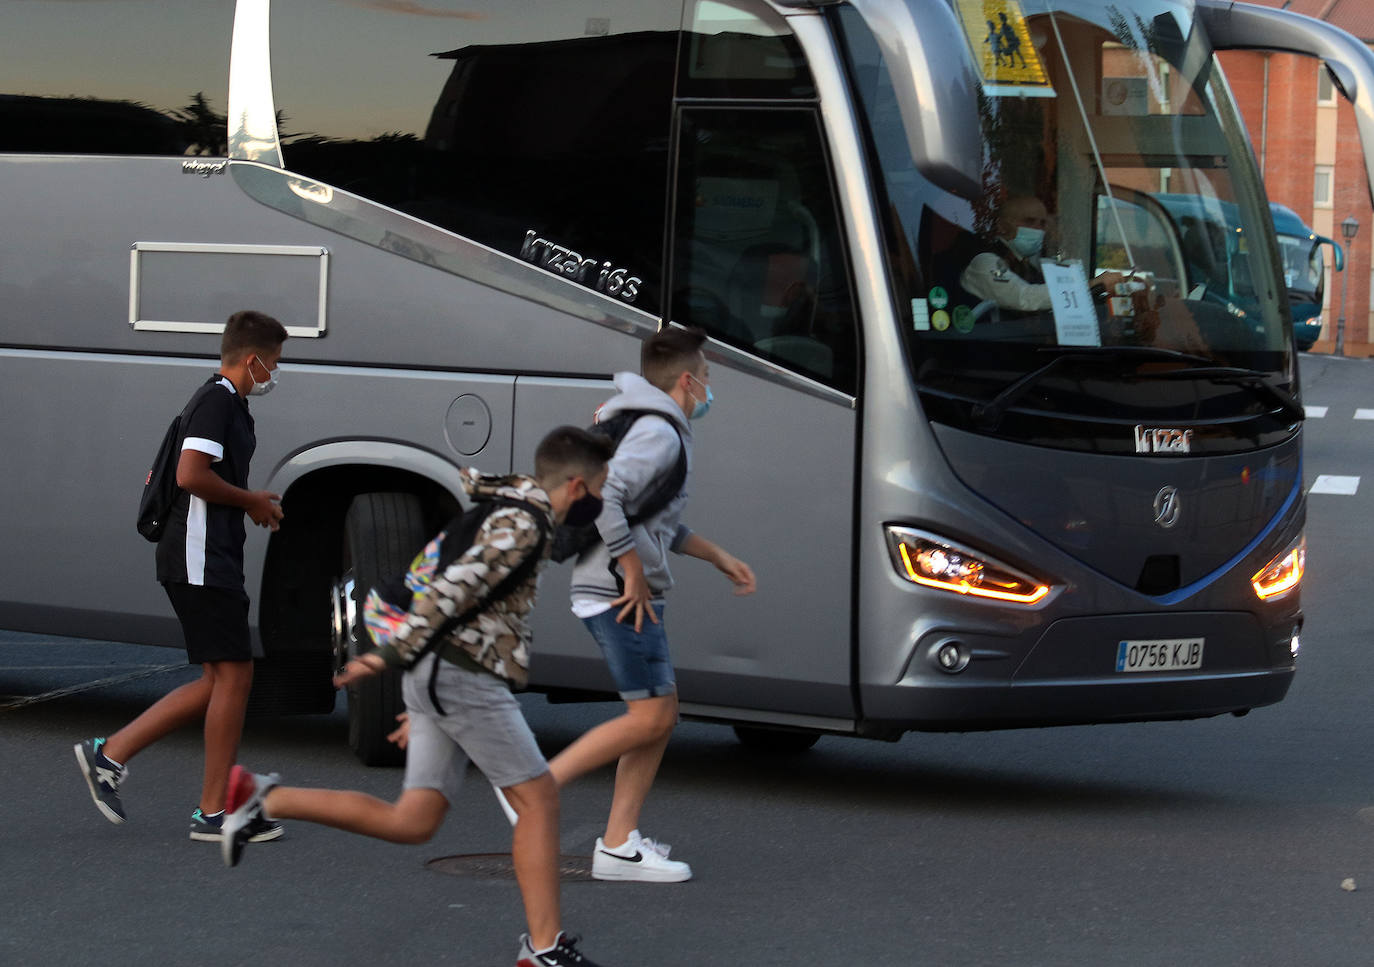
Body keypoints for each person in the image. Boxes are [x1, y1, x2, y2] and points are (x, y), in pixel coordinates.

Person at [219, 426, 616, 967]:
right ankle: (542, 948)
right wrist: (391, 657)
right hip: (461, 676)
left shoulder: (511, 508)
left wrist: (423, 691)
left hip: (443, 678)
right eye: (601, 486)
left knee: (414, 820)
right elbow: (450, 589)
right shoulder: (521, 523)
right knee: (540, 799)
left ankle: (263, 799)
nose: (601, 498)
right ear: (576, 485)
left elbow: (441, 582)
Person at [549, 325, 757, 883]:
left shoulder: (652, 424)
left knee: (658, 719)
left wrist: (716, 556)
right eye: (708, 377)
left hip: (620, 587)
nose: (710, 390)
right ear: (687, 380)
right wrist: (634, 572)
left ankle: (618, 844)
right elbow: (608, 495)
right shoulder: (661, 433)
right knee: (652, 715)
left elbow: (653, 517)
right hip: (618, 591)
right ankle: (533, 787)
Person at [74, 309, 288, 843]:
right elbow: (190, 475)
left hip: (206, 557)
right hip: (198, 558)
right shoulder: (216, 401)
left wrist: (247, 507)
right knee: (234, 677)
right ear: (253, 359)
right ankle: (213, 813)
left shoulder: (229, 404)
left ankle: (110, 755)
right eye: (275, 363)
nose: (276, 374)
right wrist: (252, 501)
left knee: (220, 679)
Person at [960, 195, 1124, 315]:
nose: (1038, 230)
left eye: (1042, 223)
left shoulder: (1031, 265)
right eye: (1030, 222)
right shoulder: (986, 262)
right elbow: (1024, 297)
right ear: (1002, 226)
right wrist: (1091, 285)